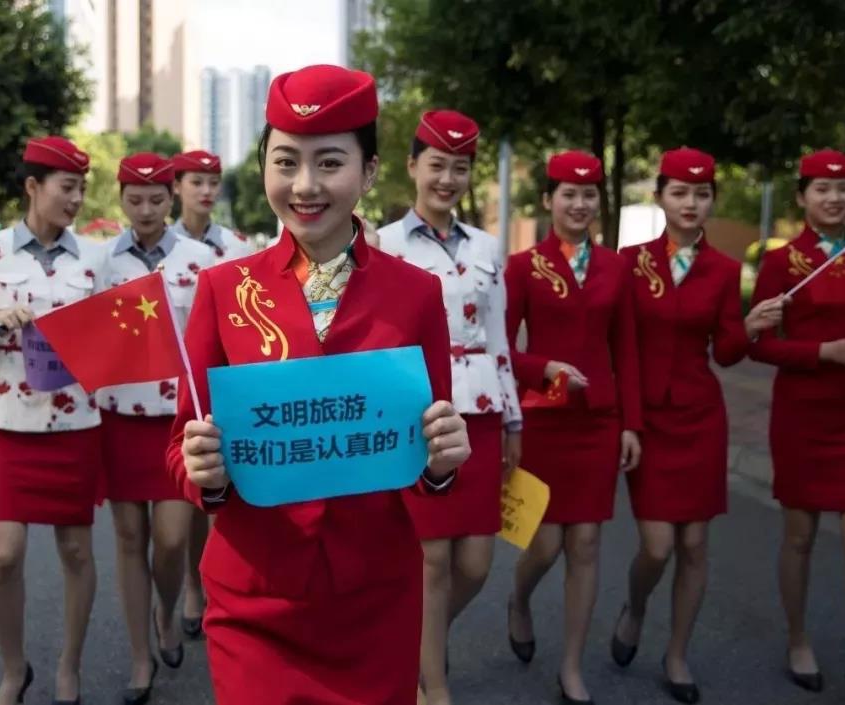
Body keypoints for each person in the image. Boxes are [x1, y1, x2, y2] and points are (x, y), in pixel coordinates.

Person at [166, 64, 471, 705]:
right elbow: (179, 449)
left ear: (369, 171)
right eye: (286, 162)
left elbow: (427, 457)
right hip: (255, 598)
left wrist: (443, 461)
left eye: (329, 163)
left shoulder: (416, 294)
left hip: (374, 599)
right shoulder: (223, 290)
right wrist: (203, 472)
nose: (305, 185)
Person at [610, 147, 786, 703]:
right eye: (680, 192)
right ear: (660, 196)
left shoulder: (725, 270)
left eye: (702, 193)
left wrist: (750, 326)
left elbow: (726, 353)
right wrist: (627, 421)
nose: (691, 203)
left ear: (712, 200)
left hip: (701, 418)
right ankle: (636, 606)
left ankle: (677, 655)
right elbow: (622, 347)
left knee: (694, 545)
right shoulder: (629, 262)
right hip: (649, 420)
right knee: (657, 546)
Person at [0, 135, 107, 705]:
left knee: (76, 552)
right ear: (33, 187)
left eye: (81, 189)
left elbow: (113, 333)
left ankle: (70, 666)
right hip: (4, 423)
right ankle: (14, 670)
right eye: (67, 188)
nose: (76, 199)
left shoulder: (95, 257)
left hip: (74, 427)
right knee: (4, 555)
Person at [377, 109, 522, 705]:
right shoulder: (382, 244)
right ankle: (433, 685)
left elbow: (500, 337)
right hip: (420, 416)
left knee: (476, 564)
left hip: (481, 415)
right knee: (431, 560)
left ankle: (417, 646)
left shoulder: (487, 247)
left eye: (460, 168)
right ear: (412, 166)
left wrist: (513, 420)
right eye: (437, 164)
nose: (447, 179)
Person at [503, 150, 642, 704]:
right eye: (568, 194)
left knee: (585, 543)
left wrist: (632, 424)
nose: (579, 204)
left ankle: (571, 667)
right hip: (545, 421)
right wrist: (545, 369)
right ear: (549, 200)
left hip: (599, 422)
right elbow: (501, 351)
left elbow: (626, 349)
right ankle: (519, 598)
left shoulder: (616, 267)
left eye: (588, 195)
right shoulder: (522, 266)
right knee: (545, 545)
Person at [749, 149, 845, 702]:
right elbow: (758, 345)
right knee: (799, 535)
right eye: (822, 188)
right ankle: (798, 639)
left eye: (843, 187)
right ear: (801, 197)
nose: (834, 197)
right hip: (802, 416)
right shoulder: (782, 263)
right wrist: (823, 352)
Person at [97, 152, 217, 704]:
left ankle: (166, 610)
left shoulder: (202, 260)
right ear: (121, 199)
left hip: (178, 420)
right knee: (129, 539)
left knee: (170, 540)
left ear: (171, 198)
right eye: (134, 199)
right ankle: (140, 657)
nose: (145, 210)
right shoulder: (100, 261)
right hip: (118, 415)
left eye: (155, 199)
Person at [168, 149, 254, 636]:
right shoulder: (162, 246)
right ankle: (190, 587)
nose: (206, 191)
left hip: (224, 383)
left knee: (221, 490)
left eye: (213, 182)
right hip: (168, 386)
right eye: (196, 181)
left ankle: (214, 588)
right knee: (187, 498)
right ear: (176, 186)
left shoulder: (237, 248)